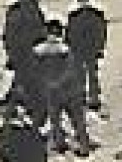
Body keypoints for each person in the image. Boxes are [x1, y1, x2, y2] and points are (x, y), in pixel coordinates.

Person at [30, 20, 91, 155]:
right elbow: (74, 70)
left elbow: (35, 71)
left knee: (55, 119)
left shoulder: (39, 51)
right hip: (71, 90)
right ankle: (83, 145)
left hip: (52, 92)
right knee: (77, 120)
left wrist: (47, 83)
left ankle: (60, 144)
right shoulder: (68, 49)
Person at [64, 0, 107, 110]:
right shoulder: (73, 16)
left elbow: (101, 32)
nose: (84, 0)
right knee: (79, 74)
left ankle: (94, 98)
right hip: (78, 49)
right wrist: (69, 47)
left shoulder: (97, 14)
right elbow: (69, 33)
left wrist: (99, 47)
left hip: (91, 49)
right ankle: (80, 97)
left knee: (92, 74)